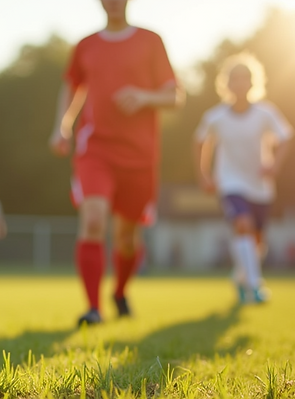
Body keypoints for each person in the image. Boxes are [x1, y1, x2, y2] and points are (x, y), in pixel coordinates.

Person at [50, 0, 182, 325]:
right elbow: (72, 87)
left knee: (127, 237)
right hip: (95, 150)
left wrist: (144, 97)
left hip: (139, 156)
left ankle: (120, 291)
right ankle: (93, 309)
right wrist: (62, 126)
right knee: (93, 220)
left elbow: (174, 96)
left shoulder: (151, 40)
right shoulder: (86, 45)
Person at [193, 52, 293, 304]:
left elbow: (285, 138)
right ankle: (254, 286)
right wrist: (204, 175)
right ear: (226, 83)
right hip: (230, 182)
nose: (239, 83)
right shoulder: (215, 116)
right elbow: (200, 142)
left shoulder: (266, 113)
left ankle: (240, 277)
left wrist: (274, 165)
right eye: (234, 78)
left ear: (253, 82)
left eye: (245, 78)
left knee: (257, 243)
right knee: (242, 225)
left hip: (260, 186)